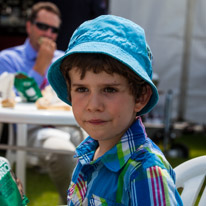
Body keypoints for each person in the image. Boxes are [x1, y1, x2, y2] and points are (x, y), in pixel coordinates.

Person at [48, 15, 183, 205]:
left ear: (140, 97)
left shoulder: (144, 172)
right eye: (82, 89)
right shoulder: (88, 154)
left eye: (109, 89)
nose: (94, 105)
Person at [0, 2, 84, 204]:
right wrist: (40, 67)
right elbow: (8, 100)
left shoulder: (64, 59)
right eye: (42, 26)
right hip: (27, 129)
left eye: (54, 29)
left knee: (97, 144)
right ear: (29, 26)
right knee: (63, 152)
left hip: (68, 123)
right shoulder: (8, 58)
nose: (48, 33)